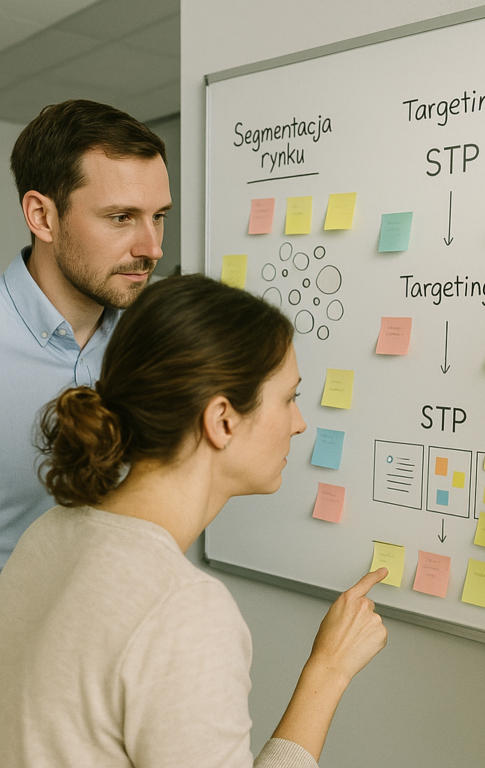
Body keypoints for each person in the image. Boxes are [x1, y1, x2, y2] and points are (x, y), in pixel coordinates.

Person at [0, 274, 388, 767]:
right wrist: (328, 671)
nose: (299, 422)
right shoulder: (184, 611)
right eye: (289, 398)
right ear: (222, 420)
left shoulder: (48, 533)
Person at [0, 99, 172, 569]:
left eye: (158, 215)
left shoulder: (160, 335)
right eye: (121, 217)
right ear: (42, 217)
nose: (152, 247)